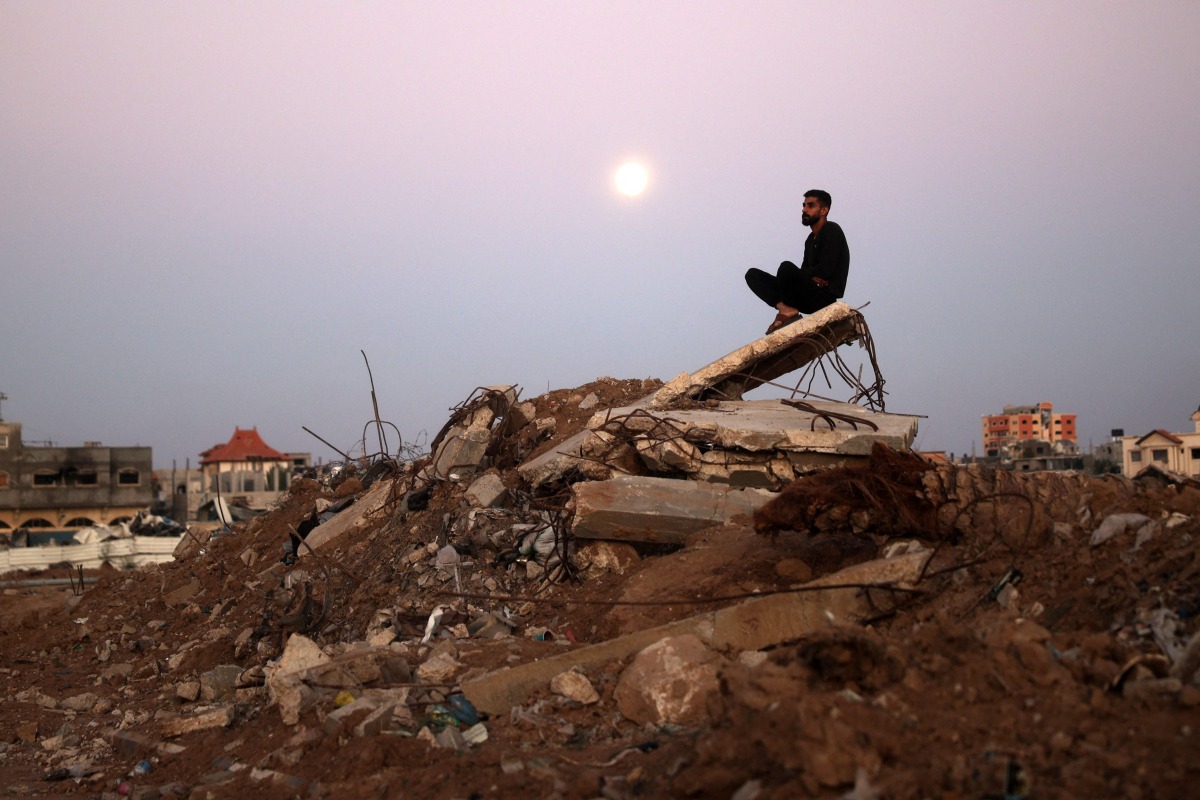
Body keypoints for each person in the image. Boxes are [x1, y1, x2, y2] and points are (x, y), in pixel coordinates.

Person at [745, 189, 849, 334]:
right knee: (753, 275)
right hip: (807, 294)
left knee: (786, 268)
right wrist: (811, 277)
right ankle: (787, 310)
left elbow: (826, 270)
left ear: (824, 210)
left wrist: (808, 276)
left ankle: (788, 312)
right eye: (804, 205)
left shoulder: (831, 229)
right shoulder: (809, 240)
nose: (804, 209)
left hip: (822, 299)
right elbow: (805, 272)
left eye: (810, 206)